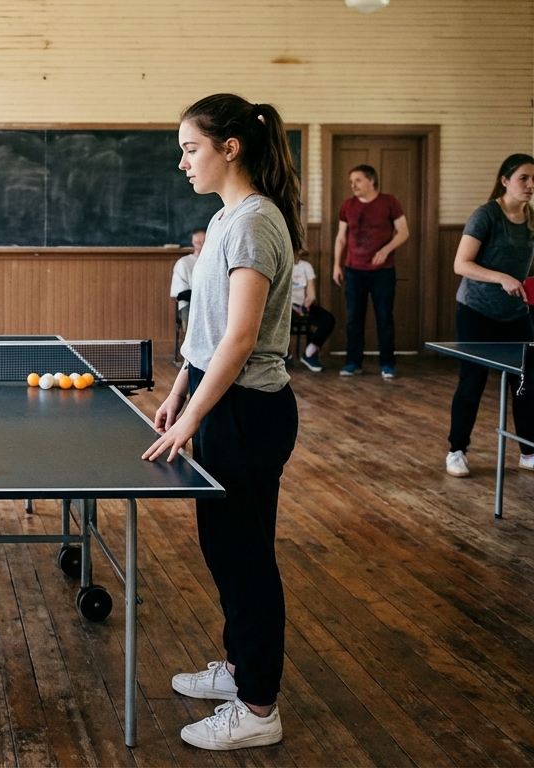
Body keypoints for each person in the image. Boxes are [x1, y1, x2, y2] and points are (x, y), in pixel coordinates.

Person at [145, 93, 301, 751]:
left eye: (191, 148)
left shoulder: (253, 223)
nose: (183, 162)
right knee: (225, 549)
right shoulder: (229, 217)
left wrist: (193, 418)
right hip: (221, 403)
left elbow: (240, 340)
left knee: (246, 561)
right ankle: (239, 670)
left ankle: (259, 708)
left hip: (247, 410)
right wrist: (180, 391)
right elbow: (206, 337)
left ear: (229, 147)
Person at [445, 154, 534, 479]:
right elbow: (461, 264)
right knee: (472, 382)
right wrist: (501, 277)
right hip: (476, 310)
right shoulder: (485, 216)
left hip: (516, 314)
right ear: (505, 180)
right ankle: (457, 450)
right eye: (524, 178)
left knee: (525, 385)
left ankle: (530, 453)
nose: (531, 185)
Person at [332, 164, 409, 379]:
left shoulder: (389, 202)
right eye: (351, 182)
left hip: (382, 272)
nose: (353, 185)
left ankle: (387, 364)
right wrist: (336, 265)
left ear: (371, 180)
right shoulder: (347, 205)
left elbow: (404, 232)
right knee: (354, 318)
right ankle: (352, 362)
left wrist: (385, 250)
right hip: (353, 270)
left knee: (384, 317)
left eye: (357, 180)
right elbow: (341, 237)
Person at [290, 249, 336, 371]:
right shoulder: (280, 264)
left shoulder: (306, 266)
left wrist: (307, 302)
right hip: (285, 308)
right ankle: (283, 356)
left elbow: (311, 293)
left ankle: (310, 353)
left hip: (302, 305)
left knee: (328, 319)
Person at [172, 229, 207, 335]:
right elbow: (179, 292)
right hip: (190, 302)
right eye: (198, 243)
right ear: (193, 243)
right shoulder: (184, 263)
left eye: (204, 242)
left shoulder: (213, 262)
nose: (201, 246)